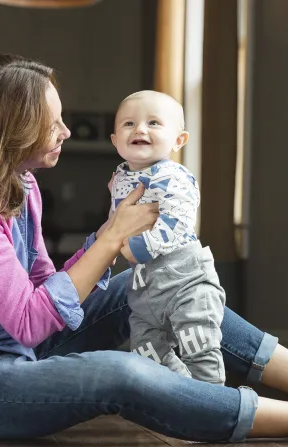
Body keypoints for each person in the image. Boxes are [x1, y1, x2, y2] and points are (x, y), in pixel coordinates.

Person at [0, 53, 288, 443]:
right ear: (6, 129)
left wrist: (108, 238)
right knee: (121, 373)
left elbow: (43, 288)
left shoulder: (20, 185)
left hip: (15, 351)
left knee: (154, 280)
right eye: (50, 123)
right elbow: (32, 320)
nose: (65, 132)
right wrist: (113, 237)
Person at [110, 90, 225, 384]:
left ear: (179, 140)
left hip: (185, 279)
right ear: (115, 141)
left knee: (198, 344)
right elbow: (117, 221)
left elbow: (178, 221)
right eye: (128, 124)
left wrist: (140, 246)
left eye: (153, 123)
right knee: (147, 352)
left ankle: (211, 401)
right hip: (144, 288)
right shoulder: (119, 177)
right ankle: (180, 394)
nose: (139, 129)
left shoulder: (175, 176)